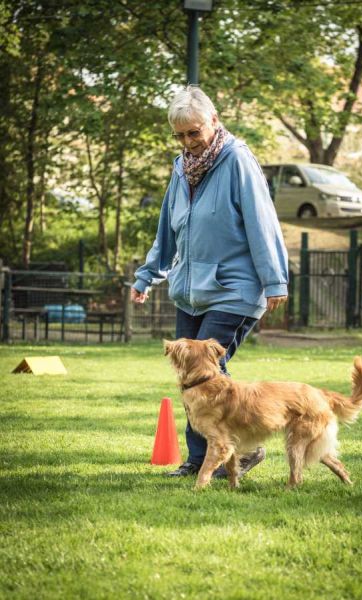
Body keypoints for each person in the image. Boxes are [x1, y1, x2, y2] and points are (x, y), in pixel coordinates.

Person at [131, 85, 289, 478]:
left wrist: (274, 280)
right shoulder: (181, 167)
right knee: (190, 377)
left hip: (234, 288)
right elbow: (168, 229)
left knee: (208, 375)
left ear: (213, 122)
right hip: (190, 291)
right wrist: (148, 274)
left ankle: (239, 448)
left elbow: (262, 223)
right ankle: (202, 458)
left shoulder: (238, 161)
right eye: (180, 135)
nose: (188, 142)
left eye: (194, 132)